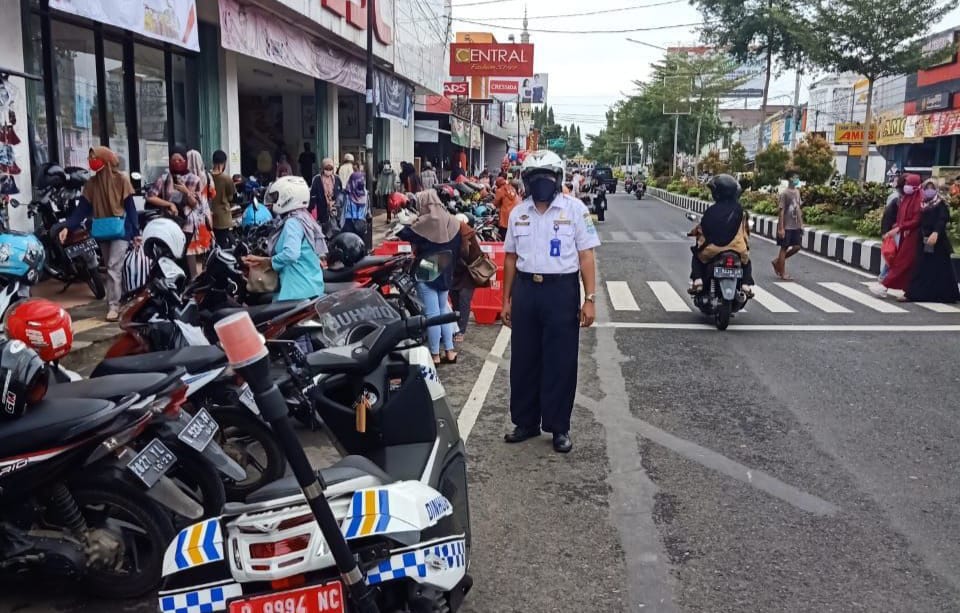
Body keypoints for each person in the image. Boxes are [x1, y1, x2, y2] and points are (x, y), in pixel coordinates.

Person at [501, 150, 599, 454]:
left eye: (547, 177)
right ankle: (526, 422)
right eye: (534, 178)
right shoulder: (519, 212)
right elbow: (510, 258)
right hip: (527, 290)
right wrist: (506, 299)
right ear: (526, 181)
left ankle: (559, 427)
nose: (541, 183)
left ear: (557, 179)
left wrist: (590, 299)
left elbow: (586, 255)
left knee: (561, 360)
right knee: (524, 359)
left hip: (561, 292)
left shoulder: (575, 209)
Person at [62, 147, 139, 322]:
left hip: (121, 229)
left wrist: (136, 232)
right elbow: (81, 210)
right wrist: (67, 227)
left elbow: (131, 208)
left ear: (104, 159)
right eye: (89, 158)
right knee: (112, 267)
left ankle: (113, 305)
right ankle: (119, 299)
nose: (91, 161)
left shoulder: (122, 179)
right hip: (103, 229)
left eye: (93, 157)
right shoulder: (91, 184)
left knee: (113, 266)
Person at [397, 189, 461, 365]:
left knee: (432, 315)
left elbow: (403, 233)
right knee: (443, 311)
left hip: (428, 268)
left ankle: (434, 354)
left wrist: (406, 220)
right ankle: (449, 351)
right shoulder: (453, 221)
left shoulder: (425, 222)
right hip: (447, 267)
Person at [242, 176, 326, 301]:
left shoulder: (293, 222)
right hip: (310, 287)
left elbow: (291, 254)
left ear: (287, 197)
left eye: (276, 197)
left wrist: (269, 262)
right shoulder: (304, 217)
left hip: (297, 291)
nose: (273, 202)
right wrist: (261, 260)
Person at [689, 174, 754, 296]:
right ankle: (745, 285)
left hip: (713, 250)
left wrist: (694, 232)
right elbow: (745, 233)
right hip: (738, 249)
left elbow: (703, 229)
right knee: (746, 262)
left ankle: (698, 281)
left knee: (696, 256)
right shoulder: (741, 211)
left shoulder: (711, 211)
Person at [146, 146, 202, 273]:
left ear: (185, 161)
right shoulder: (165, 178)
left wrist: (186, 191)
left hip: (187, 224)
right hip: (169, 222)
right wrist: (168, 204)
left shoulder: (194, 179)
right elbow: (150, 196)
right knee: (171, 254)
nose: (177, 163)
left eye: (180, 160)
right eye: (173, 160)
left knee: (182, 254)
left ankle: (186, 283)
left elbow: (195, 205)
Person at [904, 181, 959, 303]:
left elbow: (943, 219)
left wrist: (936, 233)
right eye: (926, 188)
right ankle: (914, 294)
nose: (929, 190)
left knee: (941, 268)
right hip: (924, 240)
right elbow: (919, 220)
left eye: (932, 188)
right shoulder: (923, 204)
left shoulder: (940, 203)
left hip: (938, 242)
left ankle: (947, 295)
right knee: (921, 267)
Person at [873, 173, 923, 298]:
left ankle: (884, 285)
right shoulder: (906, 198)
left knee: (902, 262)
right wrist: (896, 228)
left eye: (909, 184)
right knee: (901, 261)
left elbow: (916, 219)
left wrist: (900, 228)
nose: (906, 186)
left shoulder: (919, 199)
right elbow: (897, 216)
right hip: (904, 234)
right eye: (905, 184)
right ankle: (906, 289)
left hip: (914, 236)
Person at [450, 213, 485, 343]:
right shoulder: (450, 235)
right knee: (455, 301)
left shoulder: (469, 235)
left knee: (464, 301)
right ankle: (455, 327)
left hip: (467, 273)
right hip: (455, 273)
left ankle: (461, 330)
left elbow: (476, 254)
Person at [185, 149, 214, 274]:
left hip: (189, 219)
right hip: (204, 218)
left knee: (191, 250)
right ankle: (203, 275)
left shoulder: (185, 179)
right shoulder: (207, 176)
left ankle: (193, 277)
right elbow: (212, 194)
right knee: (203, 249)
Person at [773, 174, 803, 280]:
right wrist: (781, 228)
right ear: (790, 179)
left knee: (797, 247)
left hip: (795, 225)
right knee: (784, 248)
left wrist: (801, 223)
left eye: (797, 177)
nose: (797, 179)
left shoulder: (797, 192)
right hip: (786, 226)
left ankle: (777, 262)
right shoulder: (784, 193)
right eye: (795, 177)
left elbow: (798, 208)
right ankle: (782, 272)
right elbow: (781, 211)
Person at [879, 175, 905, 282]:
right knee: (894, 255)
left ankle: (885, 277)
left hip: (905, 233)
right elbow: (888, 216)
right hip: (896, 233)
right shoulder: (896, 199)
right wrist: (886, 232)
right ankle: (884, 277)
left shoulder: (913, 199)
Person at [209, 150, 236, 248]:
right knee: (223, 244)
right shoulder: (226, 178)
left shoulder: (207, 177)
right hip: (223, 218)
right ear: (224, 163)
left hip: (210, 216)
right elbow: (231, 197)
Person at [309, 157, 341, 236]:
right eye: (327, 168)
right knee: (323, 231)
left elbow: (340, 193)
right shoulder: (317, 179)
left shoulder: (336, 179)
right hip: (321, 210)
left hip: (334, 210)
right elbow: (313, 195)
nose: (328, 170)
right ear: (323, 168)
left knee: (334, 230)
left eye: (330, 168)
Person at [341, 170, 369, 239]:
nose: (361, 182)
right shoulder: (365, 194)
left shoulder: (347, 193)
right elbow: (367, 210)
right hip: (360, 224)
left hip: (349, 223)